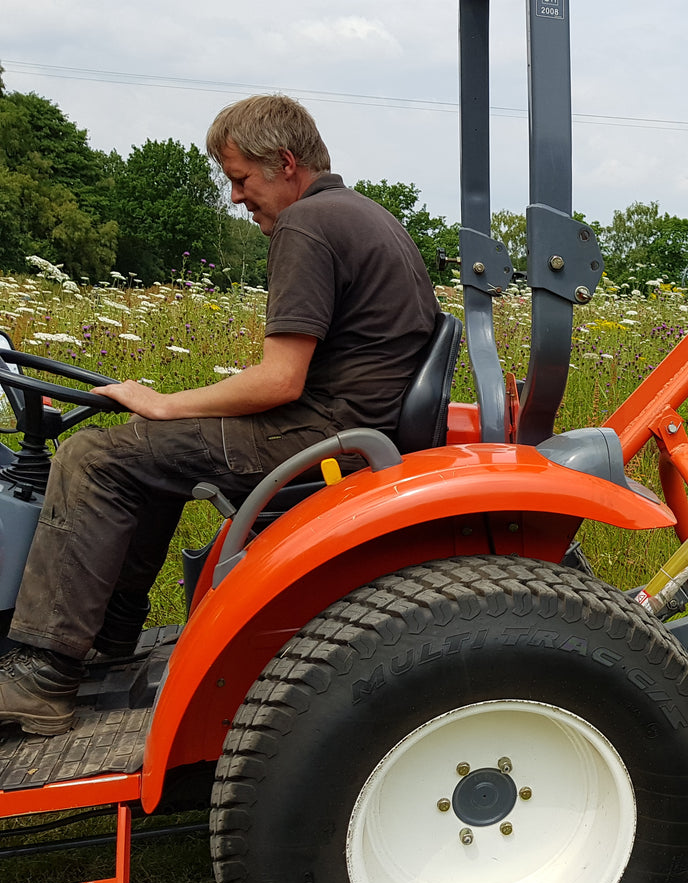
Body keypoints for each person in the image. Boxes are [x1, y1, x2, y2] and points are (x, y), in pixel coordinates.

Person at [0, 95, 439, 736]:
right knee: (145, 450)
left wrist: (166, 402)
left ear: (285, 163)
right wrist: (164, 415)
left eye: (240, 179)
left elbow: (281, 379)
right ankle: (111, 633)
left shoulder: (308, 225)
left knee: (92, 457)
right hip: (346, 425)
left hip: (322, 434)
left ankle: (43, 673)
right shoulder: (361, 214)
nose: (235, 197)